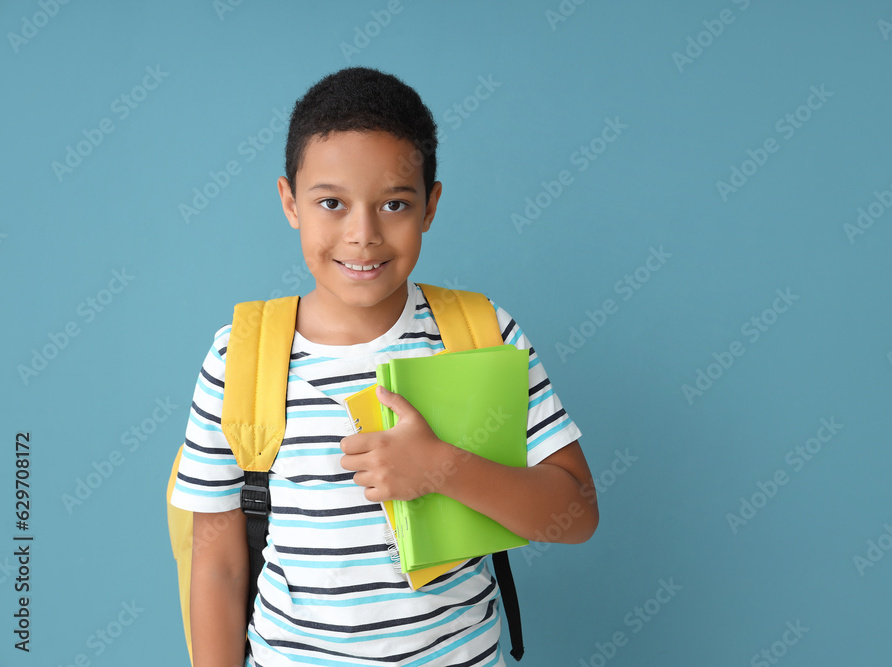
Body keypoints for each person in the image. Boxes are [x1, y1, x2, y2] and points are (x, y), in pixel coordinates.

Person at [169, 66, 599, 667]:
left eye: (394, 203)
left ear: (430, 206)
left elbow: (576, 514)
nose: (363, 235)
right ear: (290, 202)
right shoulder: (239, 356)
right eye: (331, 203)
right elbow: (215, 561)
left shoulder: (479, 336)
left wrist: (444, 469)